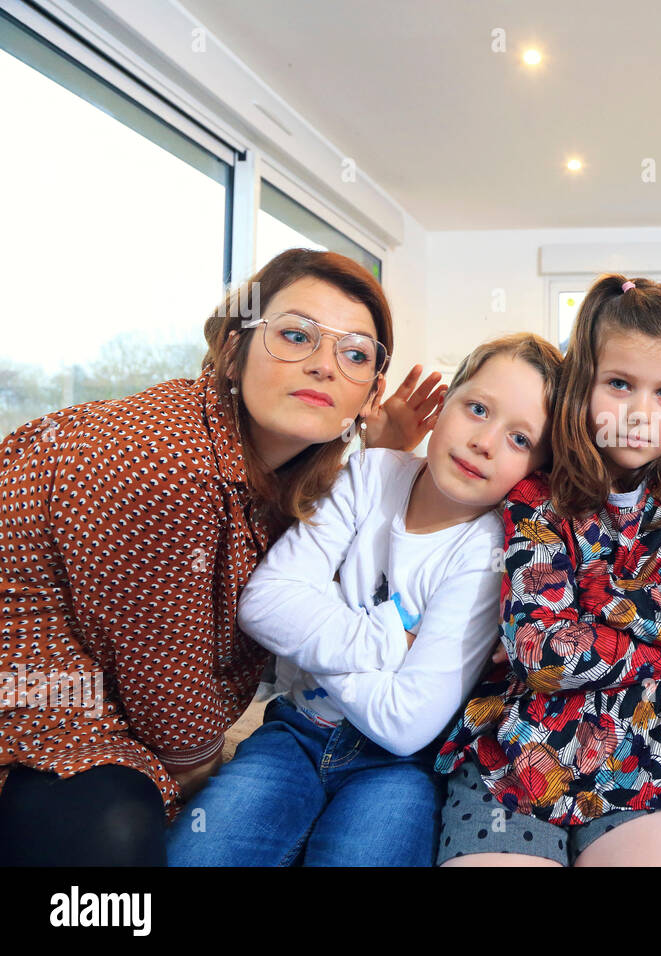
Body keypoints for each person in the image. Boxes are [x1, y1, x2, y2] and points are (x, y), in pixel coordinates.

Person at [0, 248, 443, 865]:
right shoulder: (161, 460)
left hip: (116, 685)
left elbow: (318, 570)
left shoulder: (285, 469)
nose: (323, 366)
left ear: (369, 391)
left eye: (355, 354)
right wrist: (200, 767)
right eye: (295, 335)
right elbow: (173, 722)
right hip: (41, 685)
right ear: (232, 350)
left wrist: (381, 456)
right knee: (118, 835)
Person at [165, 333, 560, 866]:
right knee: (197, 855)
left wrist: (313, 623)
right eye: (477, 408)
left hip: (401, 767)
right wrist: (392, 642)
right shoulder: (372, 472)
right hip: (295, 732)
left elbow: (405, 726)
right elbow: (262, 604)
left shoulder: (490, 548)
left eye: (519, 439)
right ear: (444, 403)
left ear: (536, 469)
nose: (485, 441)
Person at [434, 274, 661, 866]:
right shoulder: (538, 498)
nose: (639, 412)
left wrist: (604, 599)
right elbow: (543, 654)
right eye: (618, 384)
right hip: (520, 756)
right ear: (583, 383)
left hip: (652, 762)